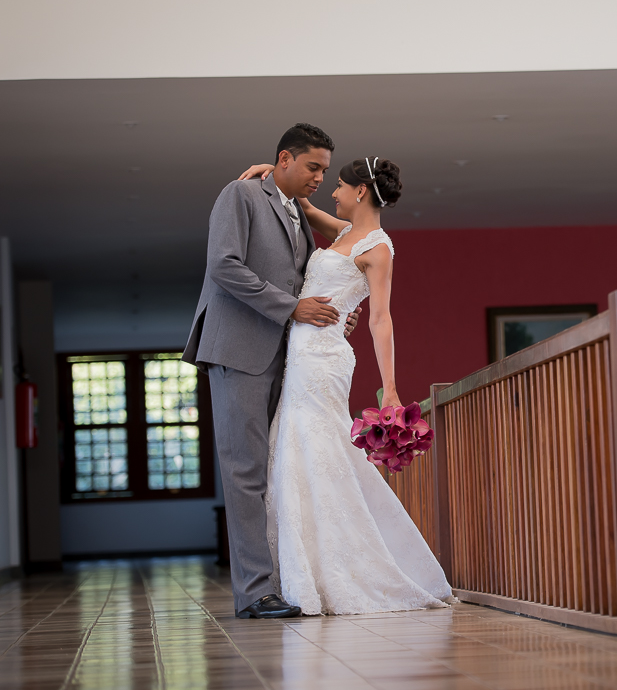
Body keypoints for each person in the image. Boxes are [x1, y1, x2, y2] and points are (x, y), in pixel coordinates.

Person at [238, 156, 454, 615]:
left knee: (319, 449)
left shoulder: (378, 248)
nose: (331, 191)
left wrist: (390, 389)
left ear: (360, 191)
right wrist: (271, 171)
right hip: (299, 355)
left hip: (324, 360)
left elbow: (380, 319)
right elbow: (301, 202)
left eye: (338, 185)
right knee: (297, 449)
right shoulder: (343, 232)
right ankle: (307, 569)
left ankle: (340, 569)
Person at [185, 123, 361, 619]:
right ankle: (254, 593)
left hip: (283, 356)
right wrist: (293, 308)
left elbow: (304, 274)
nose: (320, 178)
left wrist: (331, 313)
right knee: (245, 471)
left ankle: (283, 581)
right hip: (238, 350)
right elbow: (224, 265)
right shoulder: (239, 195)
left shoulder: (296, 209)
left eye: (325, 171)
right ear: (285, 159)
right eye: (313, 167)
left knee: (277, 469)